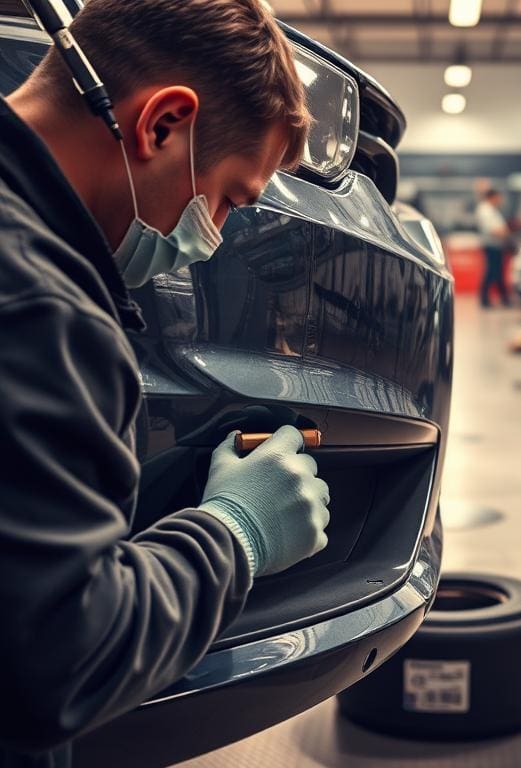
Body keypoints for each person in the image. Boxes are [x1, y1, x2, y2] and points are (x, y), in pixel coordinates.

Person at [0, 2, 333, 766]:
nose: (209, 235)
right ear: (161, 126)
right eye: (228, 196)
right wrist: (234, 532)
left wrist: (163, 487)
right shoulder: (42, 306)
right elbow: (62, 664)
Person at [476, 188, 511, 307]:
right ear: (492, 197)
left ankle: (503, 298)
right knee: (492, 272)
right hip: (492, 245)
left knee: (496, 272)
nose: (500, 200)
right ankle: (486, 298)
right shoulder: (485, 210)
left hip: (496, 245)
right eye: (499, 197)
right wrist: (506, 232)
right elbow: (492, 230)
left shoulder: (491, 210)